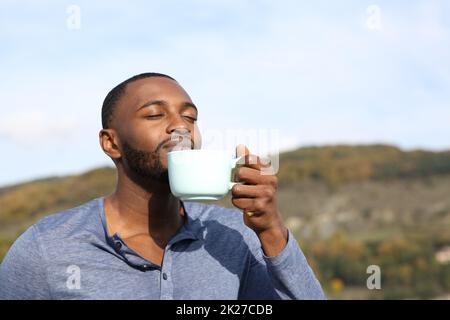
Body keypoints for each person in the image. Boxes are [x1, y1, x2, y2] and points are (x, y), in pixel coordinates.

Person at [0, 73, 325, 299]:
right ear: (111, 143)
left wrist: (271, 231)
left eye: (191, 118)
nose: (180, 126)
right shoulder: (48, 248)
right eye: (155, 114)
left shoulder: (236, 236)